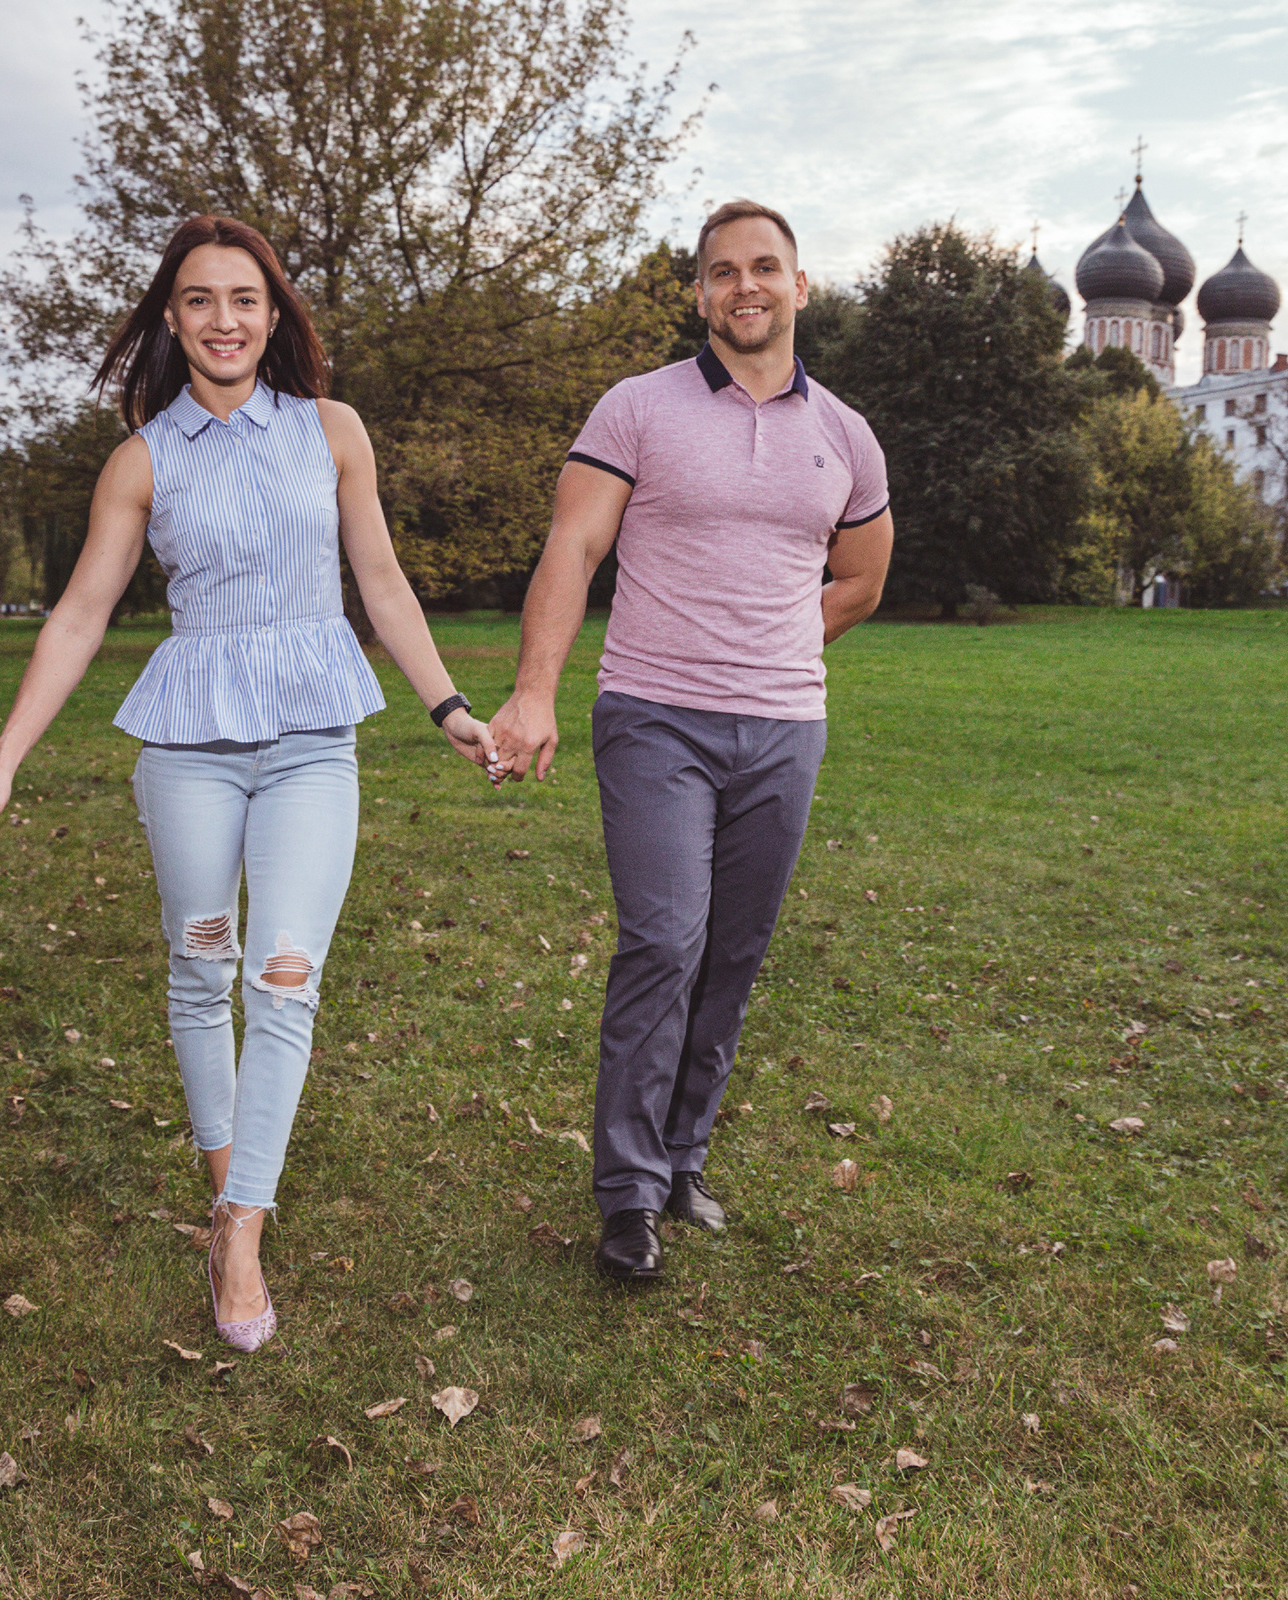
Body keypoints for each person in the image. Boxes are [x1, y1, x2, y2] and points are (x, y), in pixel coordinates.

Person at [0, 215, 497, 1351]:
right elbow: (81, 613)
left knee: (283, 977)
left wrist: (447, 705)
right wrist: (2, 761)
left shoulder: (333, 431)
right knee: (203, 963)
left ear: (274, 314)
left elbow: (381, 580)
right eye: (199, 300)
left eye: (243, 299)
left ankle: (241, 1225)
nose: (223, 320)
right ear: (172, 319)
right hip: (189, 746)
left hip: (310, 738)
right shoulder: (142, 461)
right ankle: (226, 1194)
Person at [489, 199, 894, 1280]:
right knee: (664, 938)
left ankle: (681, 1162)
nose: (745, 287)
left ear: (801, 287)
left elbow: (860, 577)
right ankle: (626, 1194)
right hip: (653, 716)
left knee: (732, 952)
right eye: (723, 271)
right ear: (699, 291)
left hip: (783, 731)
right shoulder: (637, 409)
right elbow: (572, 549)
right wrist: (533, 694)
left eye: (766, 268)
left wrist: (773, 644)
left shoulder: (845, 435)